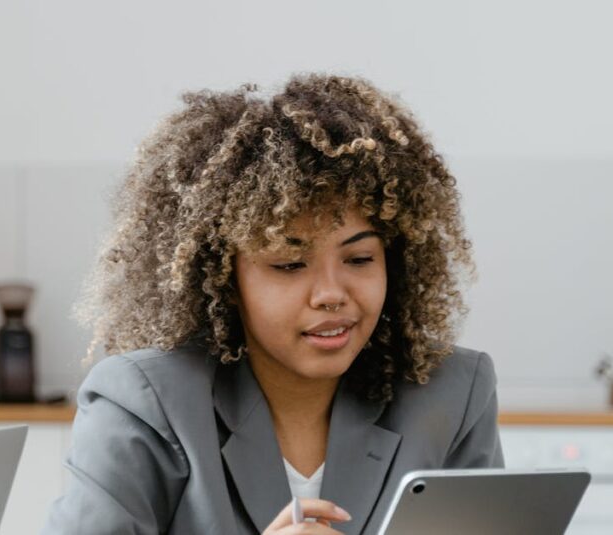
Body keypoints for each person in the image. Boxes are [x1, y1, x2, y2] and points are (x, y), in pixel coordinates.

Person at [41, 72, 504, 535]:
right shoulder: (146, 403)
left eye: (360, 258)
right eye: (289, 264)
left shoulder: (452, 394)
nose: (331, 294)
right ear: (223, 279)